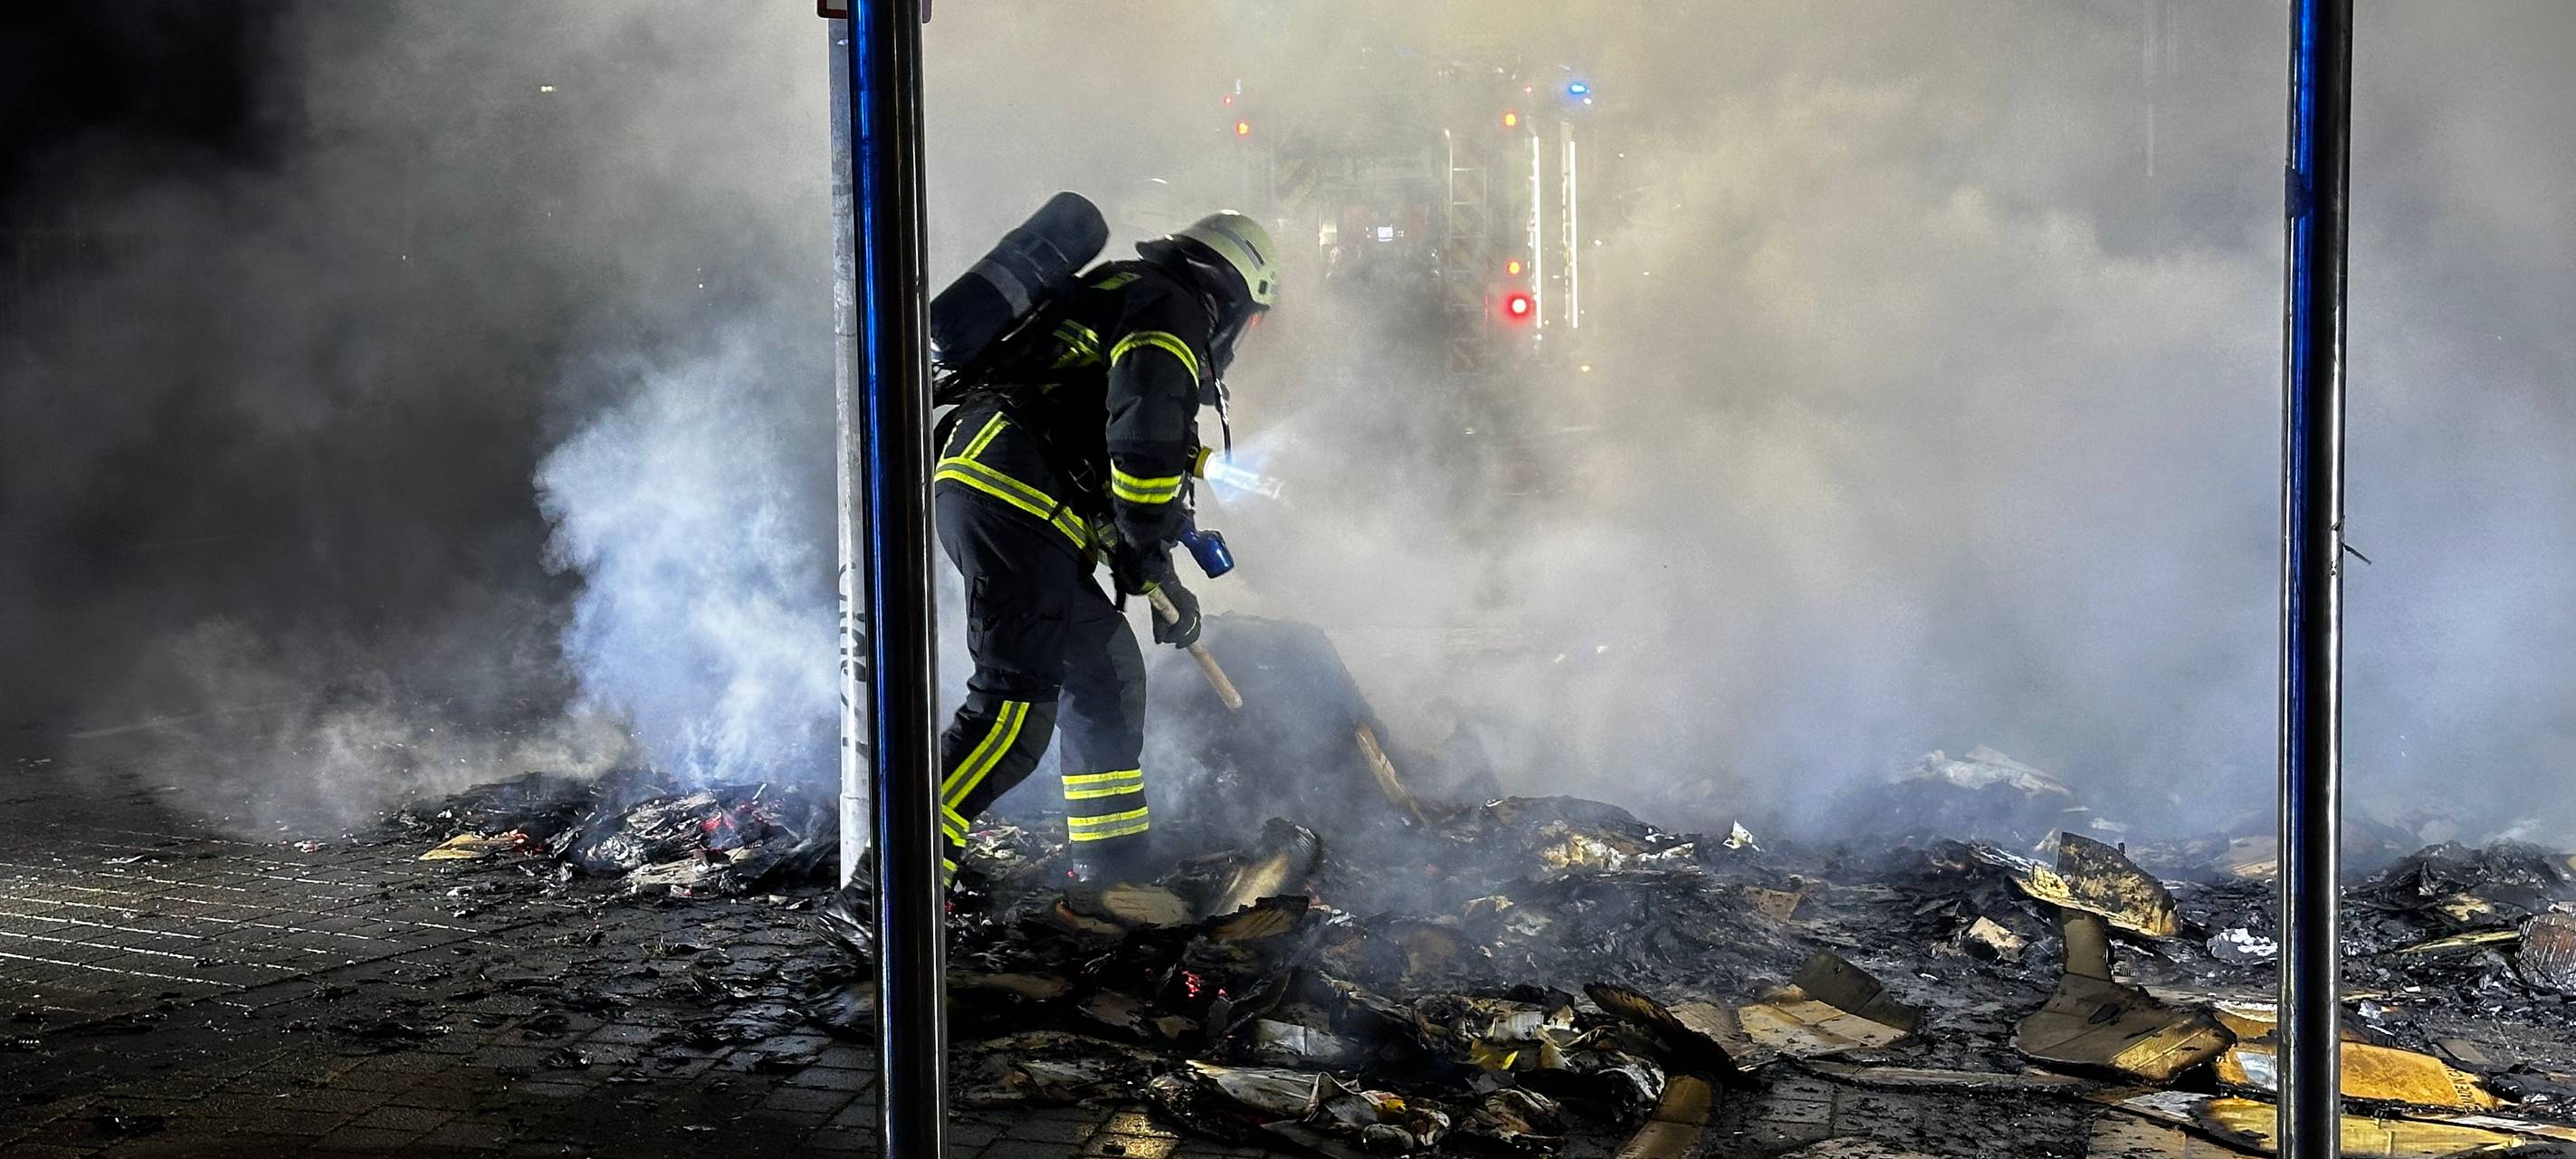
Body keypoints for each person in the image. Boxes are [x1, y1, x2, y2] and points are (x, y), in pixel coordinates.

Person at [930, 211, 1279, 886]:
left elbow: (1104, 458)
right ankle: (888, 888)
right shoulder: (1170, 307)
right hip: (1014, 496)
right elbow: (1143, 442)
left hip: (1013, 495)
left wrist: (1159, 578)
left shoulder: (1126, 289)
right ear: (1235, 294)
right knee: (1012, 712)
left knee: (1104, 672)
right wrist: (1146, 547)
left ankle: (1112, 869)